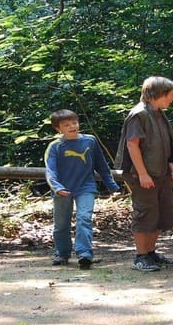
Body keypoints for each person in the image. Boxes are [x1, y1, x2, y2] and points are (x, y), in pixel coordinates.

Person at [116, 76, 173, 272]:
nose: (172, 99)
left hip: (161, 173)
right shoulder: (139, 114)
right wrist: (142, 174)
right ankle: (141, 256)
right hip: (142, 175)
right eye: (170, 95)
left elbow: (166, 145)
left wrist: (171, 167)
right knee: (145, 213)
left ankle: (151, 253)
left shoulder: (159, 113)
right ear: (158, 94)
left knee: (160, 213)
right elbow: (132, 144)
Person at [45, 109, 120, 269]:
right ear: (58, 129)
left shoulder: (90, 141)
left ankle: (84, 253)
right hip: (62, 190)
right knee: (61, 224)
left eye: (74, 122)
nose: (72, 126)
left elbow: (101, 165)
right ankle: (62, 253)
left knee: (84, 218)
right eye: (66, 125)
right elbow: (50, 171)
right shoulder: (55, 147)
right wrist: (57, 187)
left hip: (86, 187)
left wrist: (112, 185)